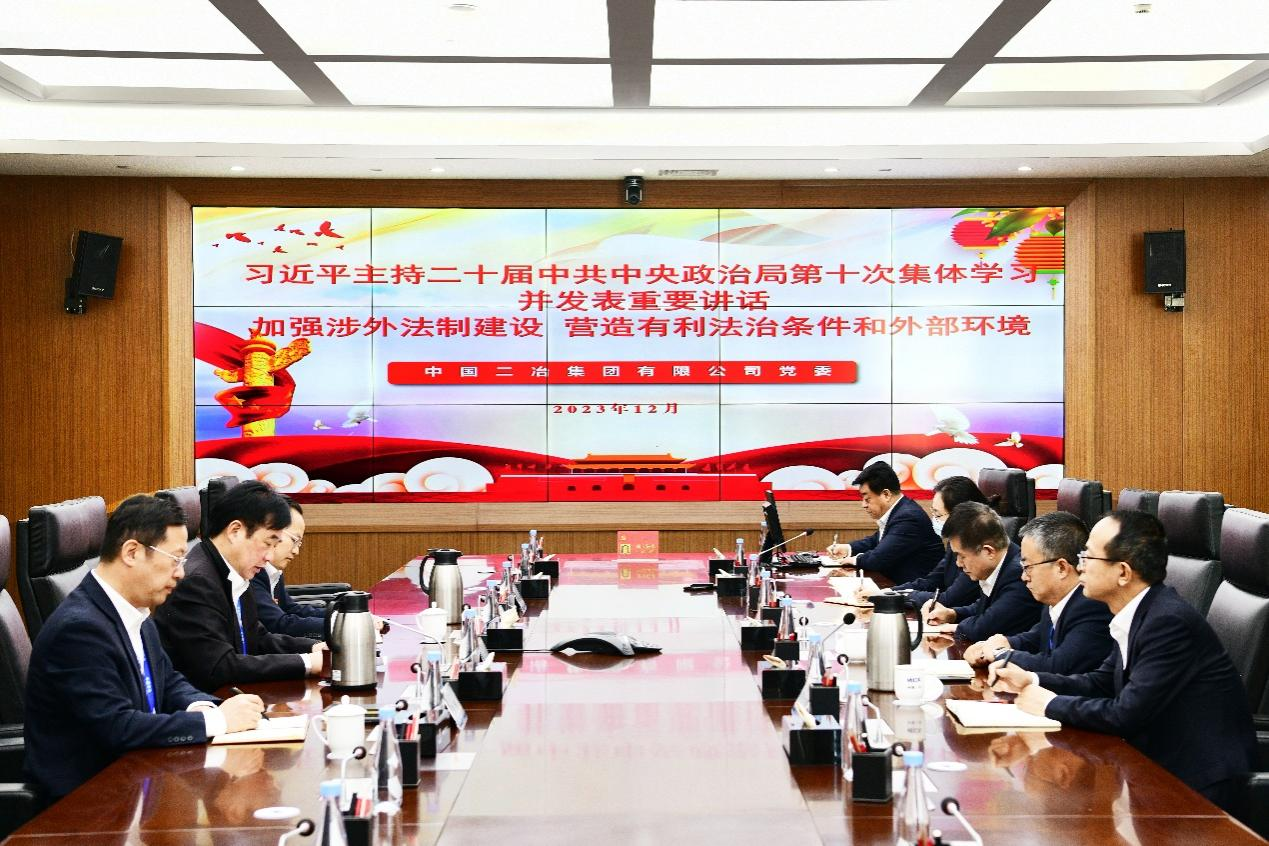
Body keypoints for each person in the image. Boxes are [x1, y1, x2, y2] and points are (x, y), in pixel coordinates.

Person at [990, 510, 1256, 811]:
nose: (1080, 566)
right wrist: (1032, 679)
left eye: (1088, 557)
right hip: (1158, 769)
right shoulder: (1139, 612)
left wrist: (1049, 704)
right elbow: (1101, 682)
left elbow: (1125, 714)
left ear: (1123, 573)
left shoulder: (1166, 622)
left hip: (1200, 786)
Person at [24, 495, 264, 798]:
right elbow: (119, 727)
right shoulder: (80, 630)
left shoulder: (135, 611)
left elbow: (168, 681)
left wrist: (206, 706)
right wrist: (217, 721)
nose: (181, 572)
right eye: (175, 559)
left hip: (140, 783)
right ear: (132, 552)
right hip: (89, 803)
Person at [155, 480, 326, 692]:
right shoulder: (197, 583)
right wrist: (307, 662)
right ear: (235, 531)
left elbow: (258, 638)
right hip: (212, 700)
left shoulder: (234, 571)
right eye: (267, 543)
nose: (269, 556)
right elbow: (220, 666)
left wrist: (315, 648)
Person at [964, 511, 1113, 674]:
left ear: (1061, 568)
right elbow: (1036, 638)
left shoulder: (1091, 605)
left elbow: (1057, 666)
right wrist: (1005, 642)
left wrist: (999, 654)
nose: (1023, 577)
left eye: (1028, 567)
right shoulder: (1056, 599)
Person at [852, 475, 990, 609]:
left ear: (961, 515)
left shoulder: (981, 548)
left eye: (938, 514)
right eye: (933, 512)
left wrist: (892, 597)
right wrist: (887, 592)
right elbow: (931, 581)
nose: (934, 519)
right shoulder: (955, 540)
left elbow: (949, 599)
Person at [924, 501, 1042, 641]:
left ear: (988, 551)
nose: (958, 563)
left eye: (962, 556)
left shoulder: (1019, 575)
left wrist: (958, 627)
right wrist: (953, 614)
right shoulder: (1002, 564)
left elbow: (984, 627)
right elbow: (985, 609)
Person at [825, 461, 944, 583]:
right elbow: (877, 541)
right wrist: (848, 548)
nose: (863, 505)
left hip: (915, 589)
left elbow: (878, 559)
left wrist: (854, 560)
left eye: (867, 499)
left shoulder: (908, 517)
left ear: (886, 494)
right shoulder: (900, 511)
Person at [250, 499, 325, 639]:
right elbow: (279, 625)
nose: (296, 551)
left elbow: (290, 609)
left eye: (299, 544)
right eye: (294, 540)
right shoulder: (252, 571)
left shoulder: (272, 570)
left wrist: (340, 615)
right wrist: (340, 626)